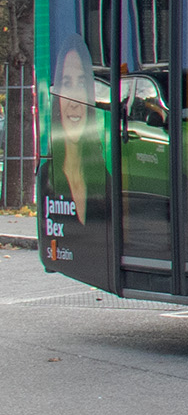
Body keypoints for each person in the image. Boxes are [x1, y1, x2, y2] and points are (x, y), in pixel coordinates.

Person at [41, 37, 107, 270]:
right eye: (67, 84)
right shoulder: (48, 177)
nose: (74, 100)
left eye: (81, 84)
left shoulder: (105, 176)